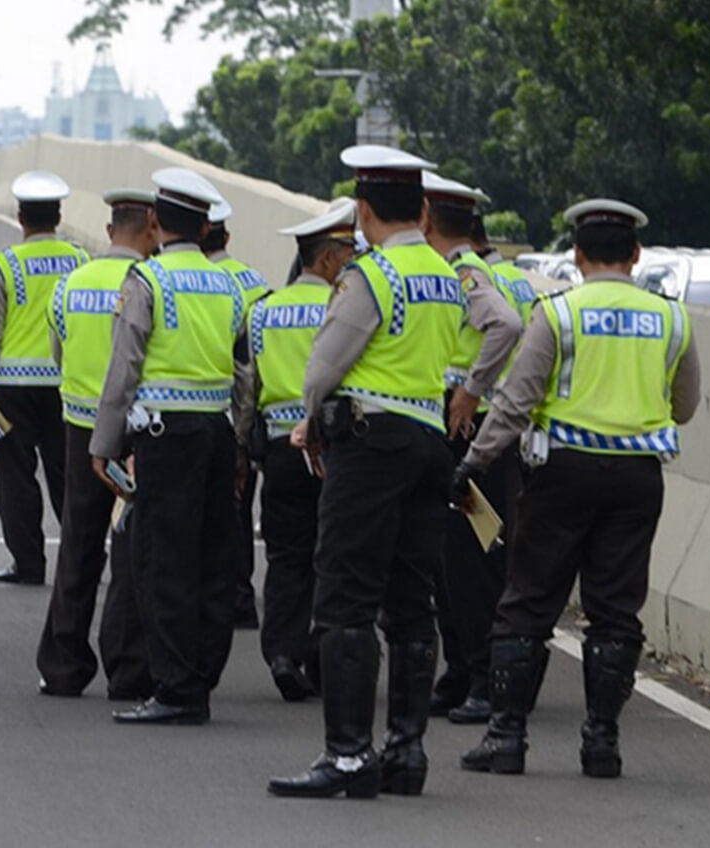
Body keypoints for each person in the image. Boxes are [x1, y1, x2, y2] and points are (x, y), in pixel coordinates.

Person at [268, 144, 515, 800]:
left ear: (363, 211)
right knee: (411, 601)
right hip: (429, 443)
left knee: (346, 595)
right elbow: (506, 325)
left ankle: (349, 755)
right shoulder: (446, 271)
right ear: (425, 208)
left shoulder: (368, 276)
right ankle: (406, 754)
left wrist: (311, 420)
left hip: (371, 445)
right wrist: (469, 389)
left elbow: (323, 367)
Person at [455, 199, 700, 778]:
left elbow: (516, 401)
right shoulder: (671, 318)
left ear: (578, 254)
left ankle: (507, 737)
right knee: (615, 610)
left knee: (529, 602)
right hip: (636, 480)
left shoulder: (559, 312)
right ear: (636, 256)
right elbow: (685, 406)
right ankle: (601, 742)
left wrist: (474, 460)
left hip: (561, 476)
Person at [90, 167, 242, 725]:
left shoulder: (146, 282)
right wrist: (242, 446)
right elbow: (244, 370)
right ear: (206, 229)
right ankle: (200, 676)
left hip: (164, 437)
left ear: (154, 222)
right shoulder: (229, 284)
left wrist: (103, 444)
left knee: (163, 561)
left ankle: (176, 688)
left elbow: (124, 366)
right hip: (218, 433)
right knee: (211, 559)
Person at [36, 189, 158, 700]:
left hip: (79, 428)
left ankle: (63, 664)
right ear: (151, 229)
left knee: (78, 546)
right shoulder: (150, 284)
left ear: (109, 232)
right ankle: (128, 670)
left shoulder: (70, 284)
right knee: (130, 549)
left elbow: (58, 350)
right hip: (132, 431)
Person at [234, 199, 358, 702]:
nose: (352, 259)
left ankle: (282, 653)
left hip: (282, 450)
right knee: (336, 555)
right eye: (347, 250)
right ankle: (322, 656)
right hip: (335, 449)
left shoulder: (261, 311)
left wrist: (242, 451)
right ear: (327, 259)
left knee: (287, 555)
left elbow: (247, 388)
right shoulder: (343, 306)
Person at [421, 172, 523, 725]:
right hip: (456, 424)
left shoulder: (463, 271)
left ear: (426, 219)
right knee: (447, 561)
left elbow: (503, 325)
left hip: (471, 428)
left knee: (474, 559)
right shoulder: (448, 271)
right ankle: (461, 670)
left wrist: (470, 390)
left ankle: (484, 677)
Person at [0, 171, 90, 585]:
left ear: (20, 217)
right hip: (66, 387)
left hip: (11, 390)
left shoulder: (5, 264)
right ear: (58, 215)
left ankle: (29, 563)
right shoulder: (81, 261)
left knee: (15, 479)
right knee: (68, 477)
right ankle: (82, 561)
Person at [203, 199, 272, 630]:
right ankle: (240, 594)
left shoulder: (185, 279)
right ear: (227, 236)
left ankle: (208, 594)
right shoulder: (254, 282)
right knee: (239, 509)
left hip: (205, 409)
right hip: (253, 410)